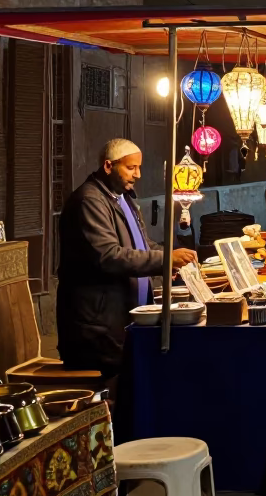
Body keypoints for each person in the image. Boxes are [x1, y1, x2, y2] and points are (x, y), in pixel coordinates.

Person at [58, 139, 198, 377]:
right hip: (99, 327)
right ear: (108, 166)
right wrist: (164, 260)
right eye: (131, 168)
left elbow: (141, 244)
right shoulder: (90, 201)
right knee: (120, 392)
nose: (138, 175)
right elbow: (109, 256)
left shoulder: (122, 198)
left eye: (139, 168)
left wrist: (169, 257)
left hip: (124, 317)